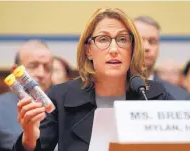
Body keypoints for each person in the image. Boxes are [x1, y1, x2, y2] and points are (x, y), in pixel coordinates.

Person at [12, 8, 174, 151]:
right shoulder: (61, 97)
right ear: (88, 50)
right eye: (103, 39)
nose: (114, 49)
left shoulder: (154, 96)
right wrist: (29, 139)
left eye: (123, 39)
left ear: (132, 49)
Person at [0, 40, 53, 151]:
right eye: (33, 66)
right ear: (15, 71)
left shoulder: (63, 107)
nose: (41, 74)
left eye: (47, 68)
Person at [134, 16, 190, 100]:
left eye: (152, 41)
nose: (146, 47)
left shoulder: (179, 97)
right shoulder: (111, 92)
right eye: (139, 41)